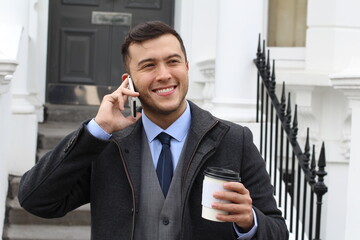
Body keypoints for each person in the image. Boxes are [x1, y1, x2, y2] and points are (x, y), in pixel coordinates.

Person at [18, 21, 289, 240]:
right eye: (148, 65)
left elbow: (277, 231)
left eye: (173, 61)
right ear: (129, 80)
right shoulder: (106, 145)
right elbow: (35, 199)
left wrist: (249, 221)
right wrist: (96, 131)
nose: (164, 75)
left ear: (186, 67)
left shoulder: (234, 140)